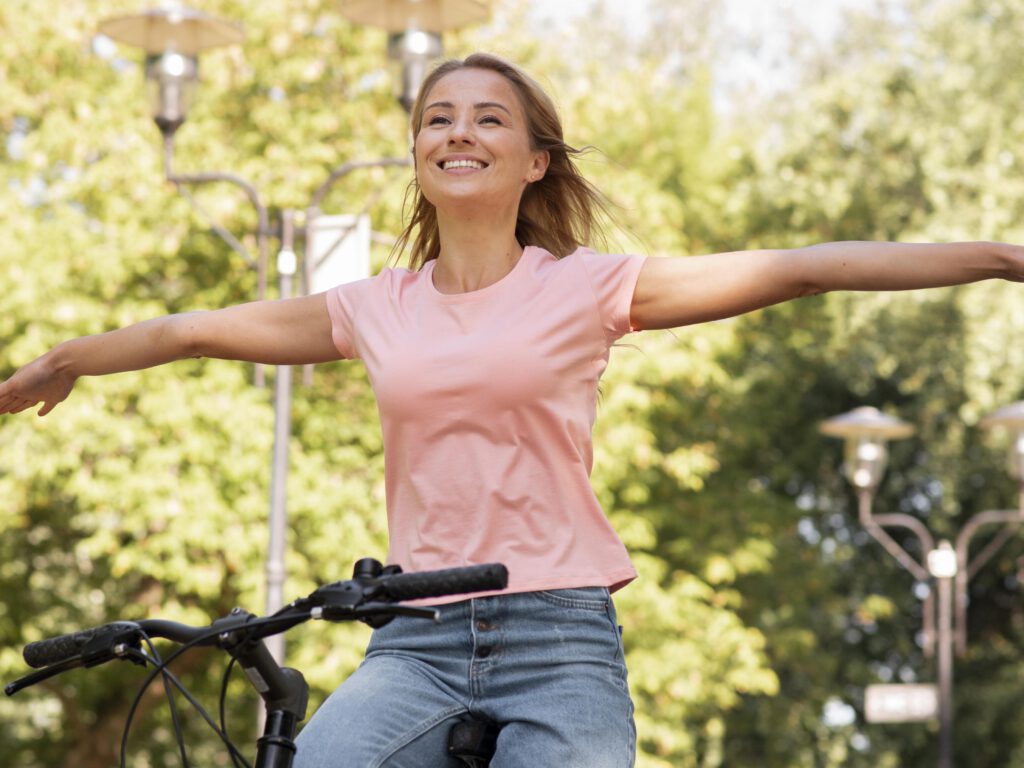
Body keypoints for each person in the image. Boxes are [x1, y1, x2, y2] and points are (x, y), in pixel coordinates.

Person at [1, 51, 1022, 766]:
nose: (459, 131)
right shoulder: (372, 308)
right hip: (412, 639)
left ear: (534, 161)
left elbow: (801, 270)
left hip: (558, 636)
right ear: (418, 158)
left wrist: (1000, 258)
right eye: (437, 119)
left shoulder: (588, 288)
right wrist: (65, 360)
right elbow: (189, 332)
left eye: (489, 118)